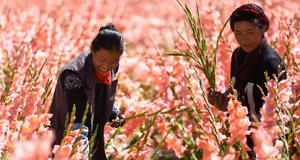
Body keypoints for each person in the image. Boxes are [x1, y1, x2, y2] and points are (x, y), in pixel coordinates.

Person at [206, 3, 286, 158]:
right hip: (243, 134)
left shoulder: (271, 62)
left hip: (266, 139)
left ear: (263, 29)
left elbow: (280, 109)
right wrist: (223, 99)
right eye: (238, 33)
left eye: (250, 32)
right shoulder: (238, 55)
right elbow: (237, 91)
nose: (244, 39)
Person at [49, 23, 126, 160]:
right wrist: (81, 155)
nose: (106, 66)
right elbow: (78, 120)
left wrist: (113, 113)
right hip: (68, 137)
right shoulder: (72, 74)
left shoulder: (112, 67)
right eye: (102, 59)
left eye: (113, 61)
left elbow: (102, 95)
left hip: (92, 134)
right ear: (92, 49)